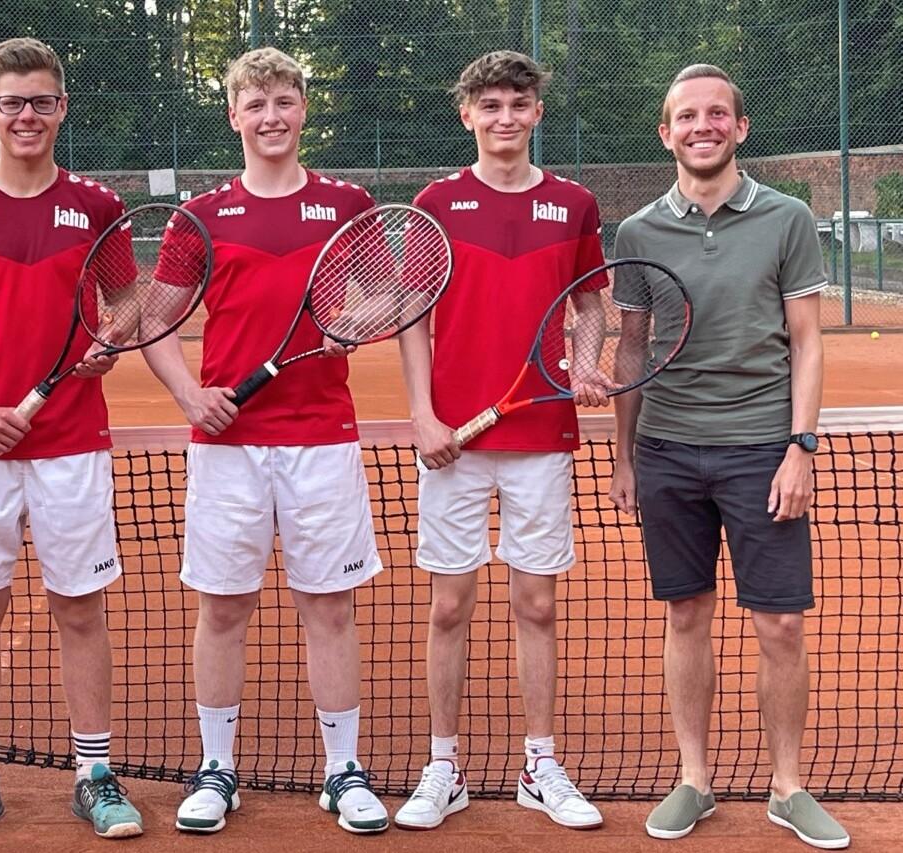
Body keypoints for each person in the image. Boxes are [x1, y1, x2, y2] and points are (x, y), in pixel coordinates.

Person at [141, 47, 389, 835]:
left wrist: (358, 319)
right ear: (234, 117)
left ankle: (343, 770)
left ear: (303, 109)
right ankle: (216, 768)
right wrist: (191, 394)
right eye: (256, 104)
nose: (271, 117)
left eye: (284, 101)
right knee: (223, 607)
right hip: (228, 445)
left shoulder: (346, 203)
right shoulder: (200, 217)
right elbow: (155, 319)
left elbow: (388, 293)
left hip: (322, 437)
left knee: (329, 607)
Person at [609, 64, 848, 850]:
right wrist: (623, 457)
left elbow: (807, 342)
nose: (702, 126)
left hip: (761, 450)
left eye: (717, 114)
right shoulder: (638, 231)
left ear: (740, 128)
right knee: (686, 614)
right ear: (666, 133)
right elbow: (632, 347)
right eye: (686, 116)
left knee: (780, 624)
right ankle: (695, 779)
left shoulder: (787, 218)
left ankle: (788, 786)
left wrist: (800, 447)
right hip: (668, 450)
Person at [0, 37, 142, 842]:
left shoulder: (98, 205)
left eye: (42, 101)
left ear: (62, 108)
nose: (27, 115)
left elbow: (128, 300)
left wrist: (113, 336)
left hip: (72, 442)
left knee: (80, 609)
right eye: (12, 102)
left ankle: (94, 773)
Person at [393, 50, 608, 832]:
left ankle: (539, 764)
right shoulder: (436, 203)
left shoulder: (574, 203)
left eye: (519, 103)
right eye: (490, 105)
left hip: (542, 433)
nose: (505, 117)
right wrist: (423, 414)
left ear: (537, 112)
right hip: (453, 440)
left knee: (537, 603)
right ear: (468, 115)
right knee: (449, 604)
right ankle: (442, 765)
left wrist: (588, 364)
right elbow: (412, 314)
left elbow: (591, 305)